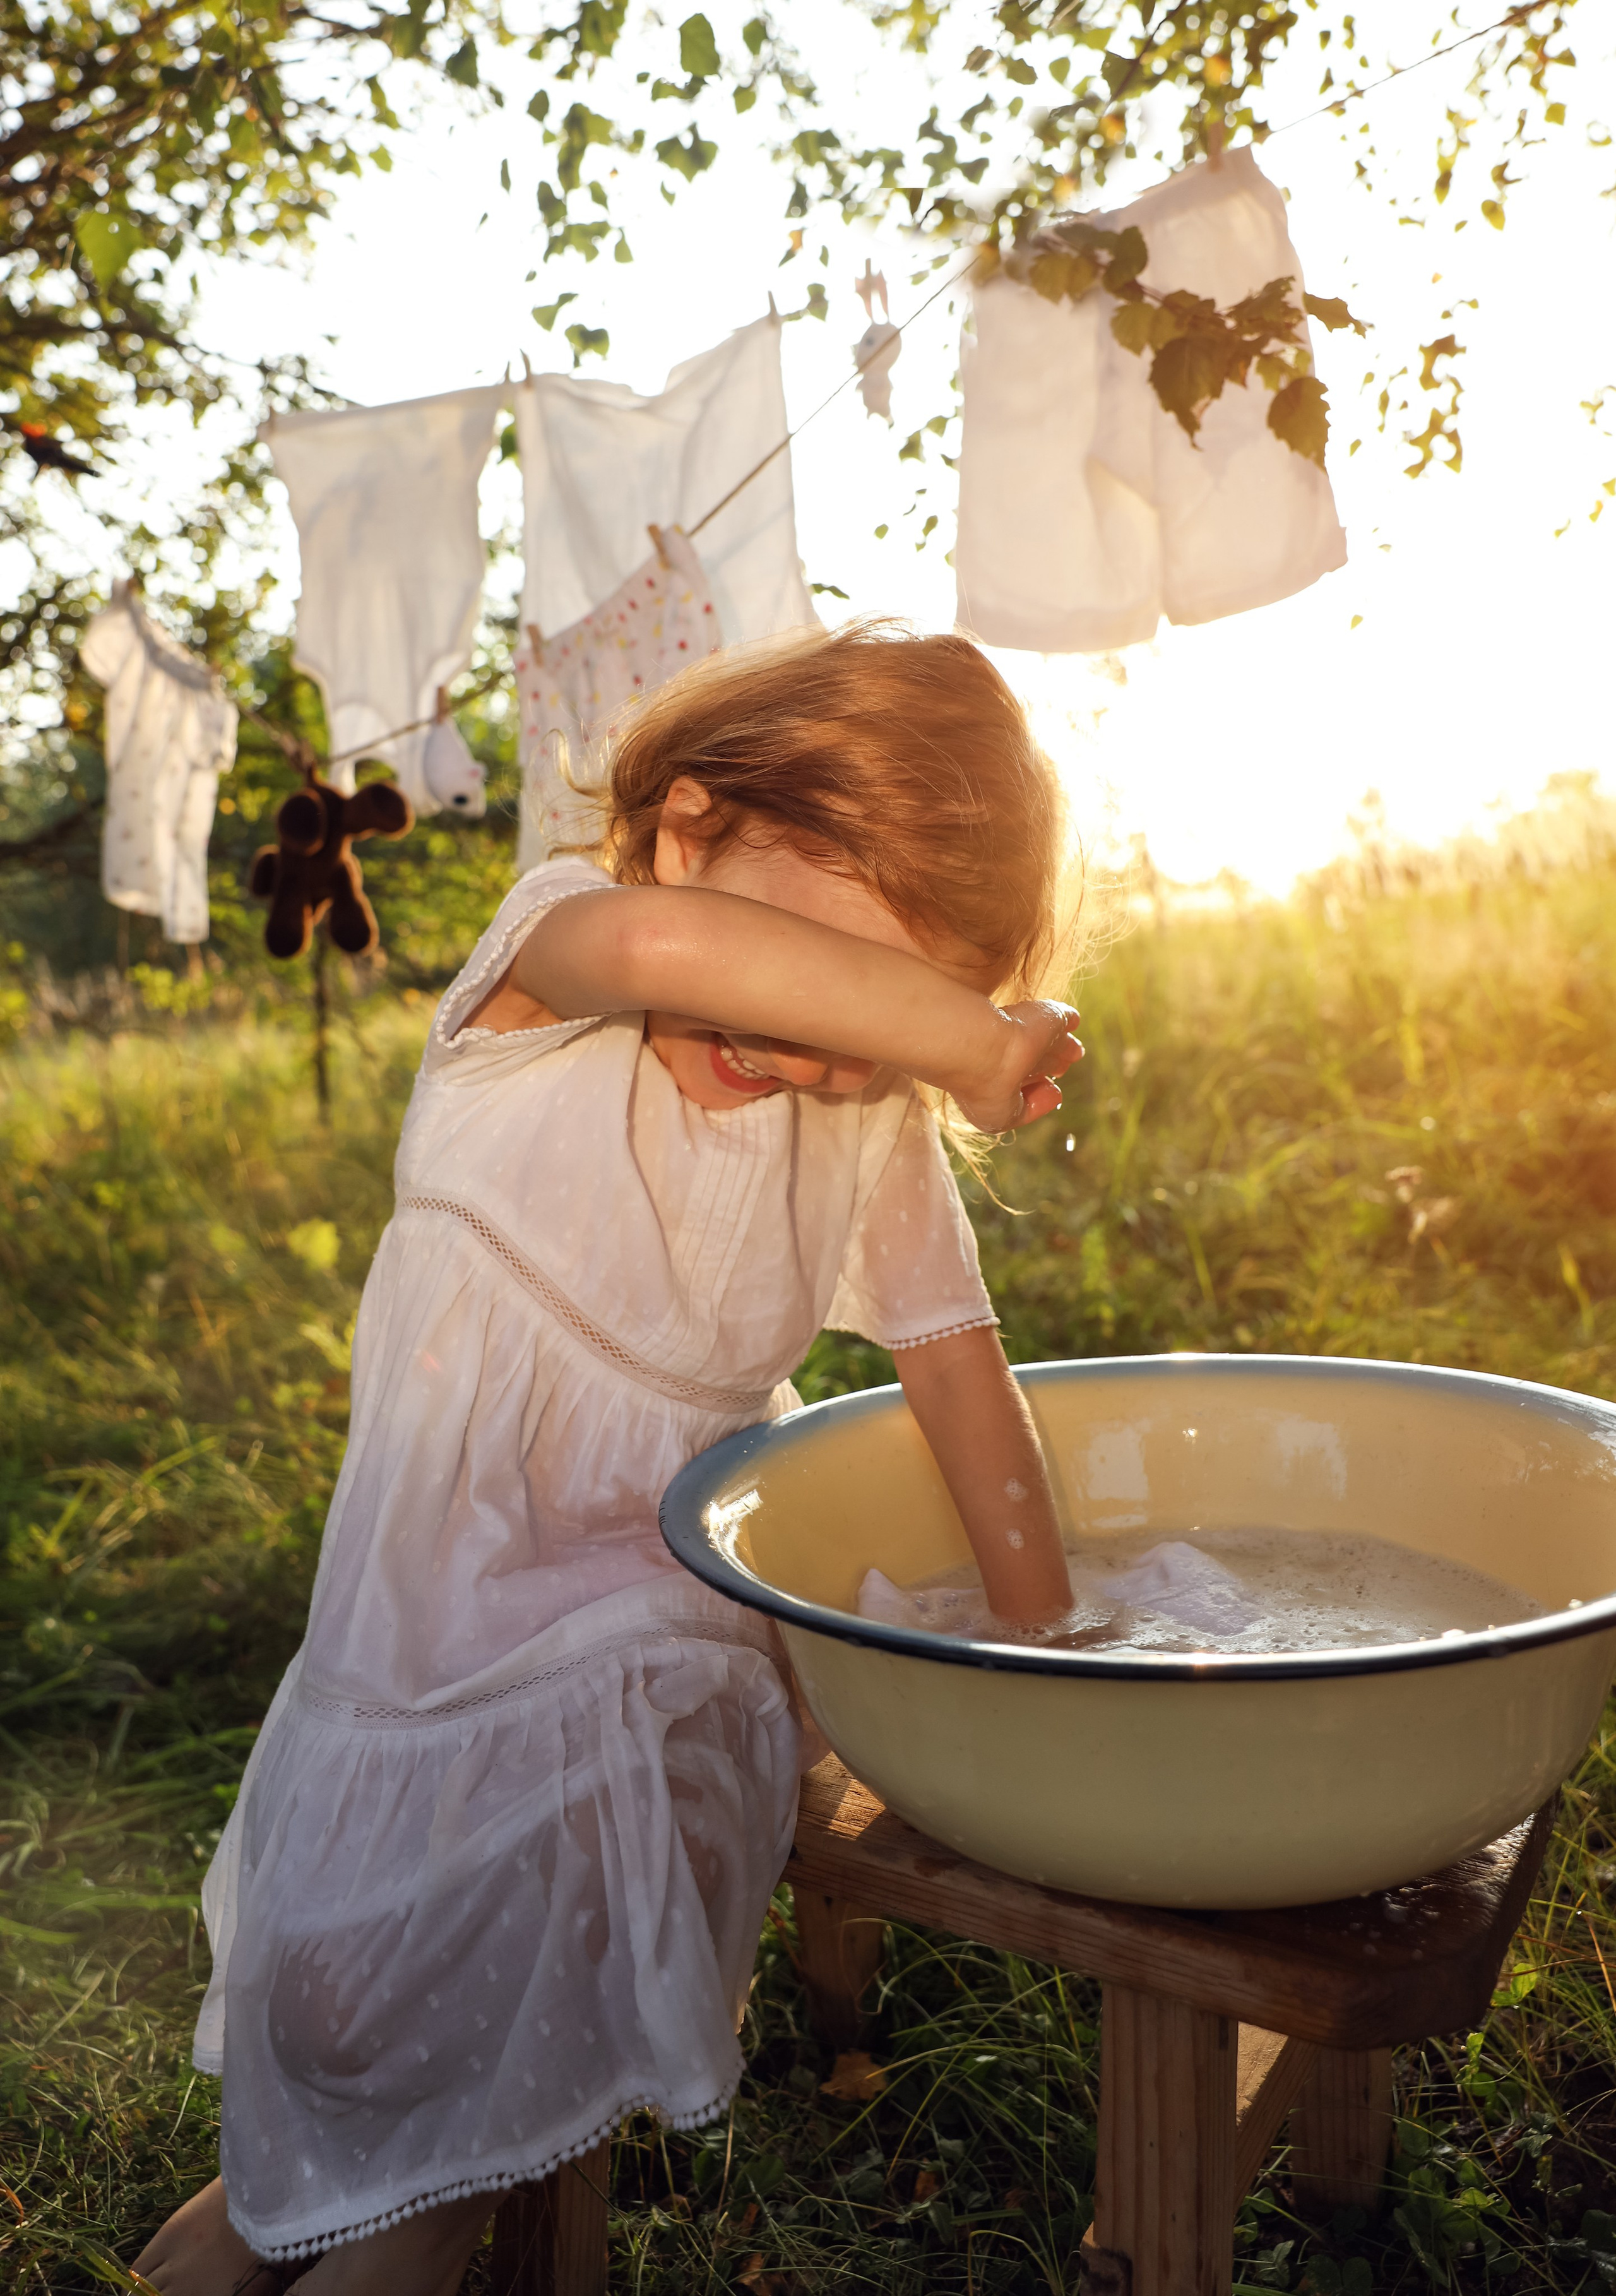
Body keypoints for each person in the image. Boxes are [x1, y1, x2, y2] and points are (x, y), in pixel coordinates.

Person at [134, 621, 1081, 2296]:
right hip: (431, 1710)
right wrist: (952, 1028)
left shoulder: (853, 1119)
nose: (815, 1056)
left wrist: (1047, 1641)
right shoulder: (551, 969)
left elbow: (957, 1373)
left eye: (881, 1032)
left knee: (348, 2197)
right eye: (813, 978)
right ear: (685, 829)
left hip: (635, 1701)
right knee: (364, 2208)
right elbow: (669, 949)